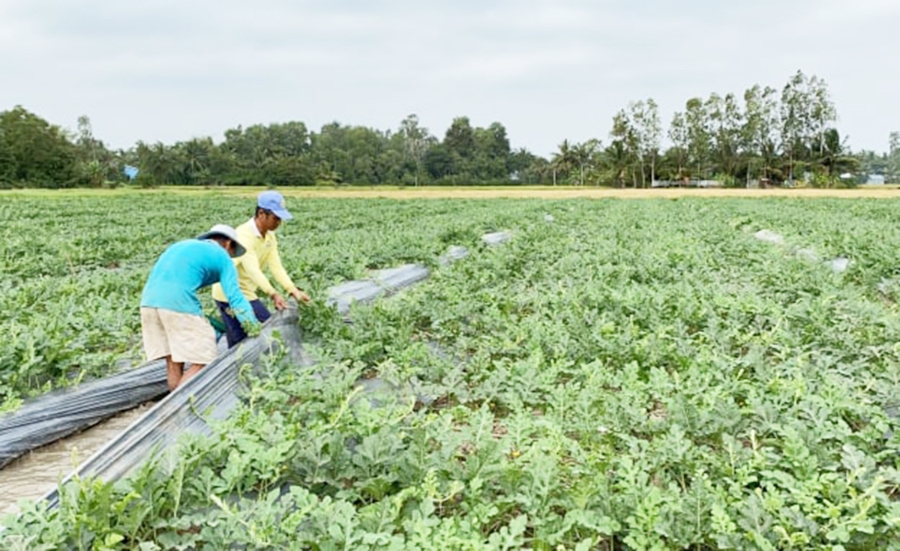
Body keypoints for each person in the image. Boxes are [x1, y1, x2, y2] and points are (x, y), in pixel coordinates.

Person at [140, 224, 260, 391]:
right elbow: (235, 297)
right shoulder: (222, 256)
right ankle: (176, 408)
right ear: (227, 244)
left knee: (174, 360)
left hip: (148, 303)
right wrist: (253, 326)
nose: (231, 257)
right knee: (204, 360)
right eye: (233, 253)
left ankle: (171, 407)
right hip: (177, 304)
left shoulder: (182, 246)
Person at [212, 190, 310, 347]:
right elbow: (253, 270)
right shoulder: (244, 235)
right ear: (262, 214)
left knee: (261, 330)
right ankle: (238, 369)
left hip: (246, 292)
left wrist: (293, 290)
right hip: (227, 293)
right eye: (276, 218)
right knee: (240, 340)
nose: (279, 223)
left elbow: (276, 266)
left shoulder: (269, 236)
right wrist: (273, 294)